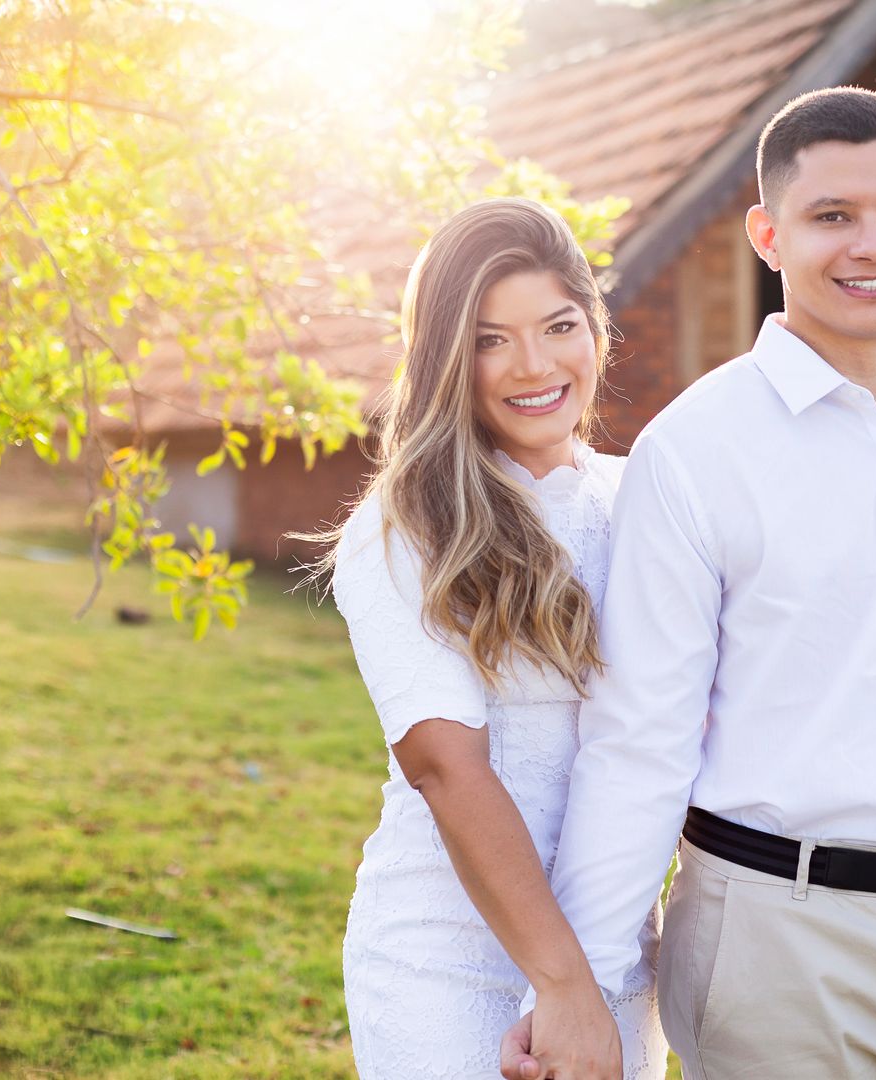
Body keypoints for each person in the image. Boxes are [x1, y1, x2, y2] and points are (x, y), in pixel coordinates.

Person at [504, 87, 876, 1079]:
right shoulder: (696, 449)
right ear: (768, 235)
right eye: (832, 216)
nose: (873, 245)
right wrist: (580, 987)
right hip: (780, 947)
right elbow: (640, 738)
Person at [320, 197, 665, 1080]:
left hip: (616, 947)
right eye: (490, 340)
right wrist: (562, 983)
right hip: (447, 956)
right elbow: (446, 768)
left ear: (597, 330)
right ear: (445, 359)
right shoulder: (404, 527)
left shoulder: (647, 499)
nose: (534, 365)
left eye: (559, 326)